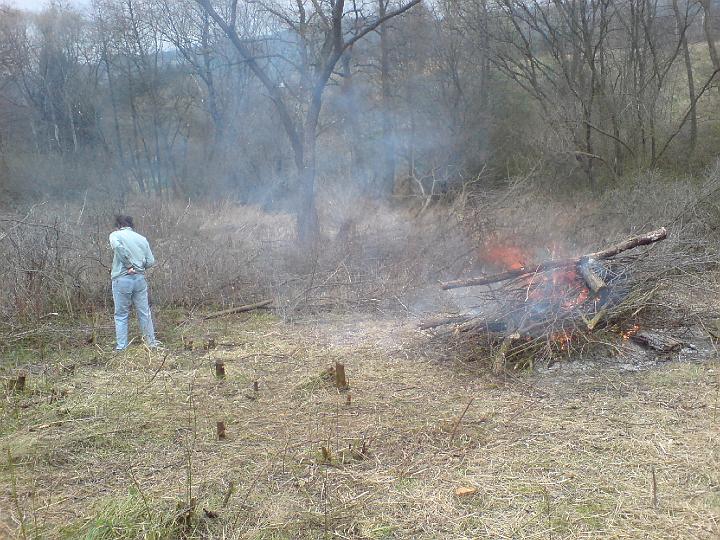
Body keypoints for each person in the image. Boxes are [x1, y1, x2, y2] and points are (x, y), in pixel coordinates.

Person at [109, 215, 159, 350]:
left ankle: (121, 348)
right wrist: (139, 267)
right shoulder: (142, 239)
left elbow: (118, 248)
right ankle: (151, 344)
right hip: (139, 279)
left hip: (122, 279)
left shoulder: (115, 235)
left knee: (121, 314)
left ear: (118, 225)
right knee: (144, 312)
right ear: (131, 225)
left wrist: (128, 265)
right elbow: (150, 261)